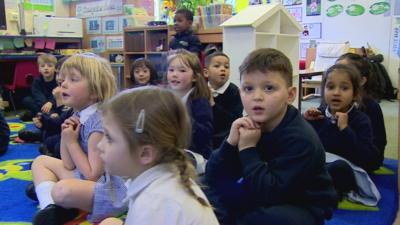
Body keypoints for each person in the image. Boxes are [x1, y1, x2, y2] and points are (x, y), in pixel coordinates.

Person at [204, 48, 337, 225]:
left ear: (290, 95)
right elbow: (212, 176)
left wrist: (248, 149)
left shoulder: (301, 139)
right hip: (258, 189)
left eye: (269, 88)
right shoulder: (248, 124)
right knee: (202, 190)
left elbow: (270, 193)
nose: (256, 97)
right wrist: (230, 143)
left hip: (299, 205)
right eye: (248, 88)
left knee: (268, 219)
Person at [97, 87, 219, 225]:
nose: (99, 146)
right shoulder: (163, 186)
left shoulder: (154, 203)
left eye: (109, 138)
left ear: (145, 154)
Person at [29, 53, 125, 225]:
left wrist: (72, 142)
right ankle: (50, 206)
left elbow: (92, 176)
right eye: (63, 79)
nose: (63, 83)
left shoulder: (98, 124)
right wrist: (66, 136)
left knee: (61, 189)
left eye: (73, 79)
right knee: (40, 161)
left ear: (95, 91)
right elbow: (68, 164)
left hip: (107, 191)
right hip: (84, 176)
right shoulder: (78, 113)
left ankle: (54, 195)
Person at [304, 64, 381, 200]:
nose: (336, 93)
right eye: (330, 87)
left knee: (339, 168)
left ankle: (325, 191)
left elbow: (364, 156)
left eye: (344, 88)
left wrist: (345, 129)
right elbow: (309, 145)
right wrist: (308, 122)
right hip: (321, 164)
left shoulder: (361, 120)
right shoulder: (319, 114)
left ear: (355, 93)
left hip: (346, 168)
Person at [335, 53, 386, 167]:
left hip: (360, 161)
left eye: (345, 73)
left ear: (362, 81)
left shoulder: (371, 107)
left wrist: (345, 128)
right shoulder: (329, 104)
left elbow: (377, 149)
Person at [167, 49, 213, 159]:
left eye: (182, 71)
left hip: (195, 156)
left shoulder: (200, 102)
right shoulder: (166, 98)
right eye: (171, 70)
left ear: (195, 77)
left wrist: (182, 116)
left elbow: (205, 135)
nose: (174, 75)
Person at [203, 51, 243, 148]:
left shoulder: (234, 91)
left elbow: (233, 120)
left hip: (226, 139)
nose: (223, 69)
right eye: (217, 66)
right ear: (206, 73)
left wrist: (213, 105)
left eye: (226, 67)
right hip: (206, 138)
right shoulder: (201, 89)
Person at [22, 53, 58, 119]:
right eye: (43, 66)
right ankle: (47, 113)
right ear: (39, 69)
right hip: (42, 103)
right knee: (27, 100)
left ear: (55, 68)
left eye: (49, 66)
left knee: (63, 101)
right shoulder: (37, 81)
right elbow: (38, 95)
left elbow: (59, 93)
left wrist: (51, 102)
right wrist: (46, 104)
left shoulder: (58, 79)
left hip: (54, 102)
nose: (46, 68)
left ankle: (39, 114)